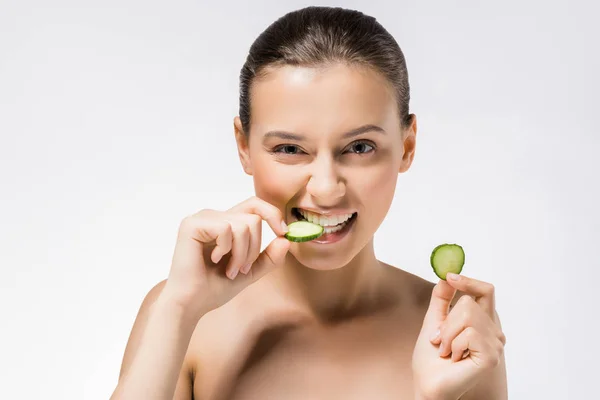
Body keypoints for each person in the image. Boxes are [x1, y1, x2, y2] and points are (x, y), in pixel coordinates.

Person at [110, 6, 507, 400]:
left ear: (407, 146)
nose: (326, 188)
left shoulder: (455, 330)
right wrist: (178, 310)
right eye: (289, 148)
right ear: (243, 146)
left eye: (359, 147)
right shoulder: (182, 315)